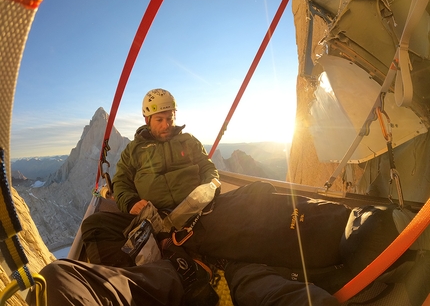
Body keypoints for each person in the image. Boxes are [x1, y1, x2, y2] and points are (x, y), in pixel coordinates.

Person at [76, 88, 343, 305]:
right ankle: (122, 285)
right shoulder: (133, 151)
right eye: (160, 119)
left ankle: (317, 240)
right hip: (155, 218)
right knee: (94, 226)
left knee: (259, 199)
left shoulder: (188, 141)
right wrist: (131, 202)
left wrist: (210, 185)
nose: (167, 124)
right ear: (148, 120)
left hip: (201, 211)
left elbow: (208, 168)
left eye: (170, 117)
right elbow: (121, 182)